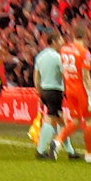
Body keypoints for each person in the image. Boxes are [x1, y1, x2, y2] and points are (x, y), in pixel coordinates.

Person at [63, 32, 91, 164]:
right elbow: (86, 75)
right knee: (90, 120)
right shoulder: (84, 52)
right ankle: (90, 154)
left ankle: (57, 142)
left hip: (69, 88)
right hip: (81, 90)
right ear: (85, 37)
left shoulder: (64, 49)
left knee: (75, 120)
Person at [31, 32, 69, 160]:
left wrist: (39, 92)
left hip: (45, 90)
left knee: (60, 119)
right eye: (60, 39)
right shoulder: (57, 57)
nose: (63, 42)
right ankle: (41, 150)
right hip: (55, 90)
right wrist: (68, 90)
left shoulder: (40, 56)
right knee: (52, 118)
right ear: (54, 41)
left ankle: (71, 151)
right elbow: (65, 75)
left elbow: (36, 77)